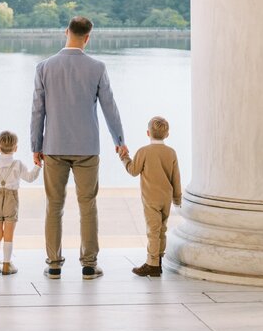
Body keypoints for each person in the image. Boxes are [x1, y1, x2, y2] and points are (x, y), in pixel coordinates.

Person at [30, 15, 125, 280]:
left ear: (66, 32)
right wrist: (119, 140)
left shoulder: (44, 67)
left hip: (54, 145)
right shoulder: (97, 67)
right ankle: (89, 264)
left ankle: (54, 264)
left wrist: (35, 145)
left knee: (54, 205)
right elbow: (110, 107)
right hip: (87, 147)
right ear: (88, 37)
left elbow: (38, 111)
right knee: (88, 206)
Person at [119, 115, 182, 277]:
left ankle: (152, 263)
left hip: (151, 199)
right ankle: (159, 260)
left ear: (148, 133)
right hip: (166, 198)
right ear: (167, 134)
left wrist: (124, 156)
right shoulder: (171, 153)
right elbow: (176, 177)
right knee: (162, 229)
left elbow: (133, 171)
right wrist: (177, 199)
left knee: (152, 230)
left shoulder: (143, 152)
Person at [0, 129, 42, 275]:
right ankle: (7, 265)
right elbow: (30, 178)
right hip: (11, 199)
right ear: (15, 148)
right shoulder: (18, 164)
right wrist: (38, 166)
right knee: (8, 234)